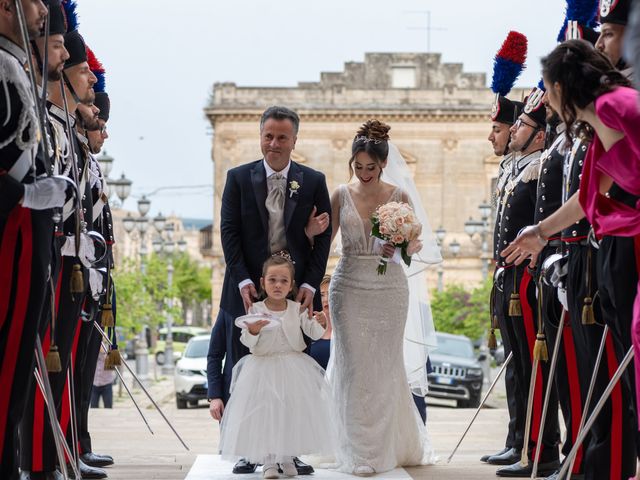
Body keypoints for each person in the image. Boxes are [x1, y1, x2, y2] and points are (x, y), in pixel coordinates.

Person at [502, 40, 640, 479]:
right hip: (612, 245)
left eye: (547, 88)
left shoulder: (618, 105)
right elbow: (587, 197)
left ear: (562, 85)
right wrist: (540, 232)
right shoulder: (594, 124)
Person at [207, 105, 331, 475]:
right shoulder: (238, 178)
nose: (273, 144)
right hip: (244, 288)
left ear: (294, 140)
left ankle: (289, 451)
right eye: (268, 136)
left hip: (296, 291)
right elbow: (228, 231)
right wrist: (244, 279)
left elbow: (323, 240)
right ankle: (249, 450)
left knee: (294, 375)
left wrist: (309, 283)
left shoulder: (313, 180)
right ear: (260, 136)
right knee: (244, 370)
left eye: (282, 137)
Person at [328, 120, 435, 475]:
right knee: (354, 367)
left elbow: (415, 246)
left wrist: (401, 244)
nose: (363, 173)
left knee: (385, 367)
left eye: (370, 167)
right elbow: (321, 244)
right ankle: (359, 450)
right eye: (357, 167)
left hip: (388, 287)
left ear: (383, 164)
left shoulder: (399, 197)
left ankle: (385, 446)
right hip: (348, 286)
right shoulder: (340, 194)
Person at [0, 1, 64, 478]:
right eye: (35, 2)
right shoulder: (3, 70)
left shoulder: (12, 67)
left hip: (28, 238)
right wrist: (23, 193)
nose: (42, 11)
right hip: (10, 234)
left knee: (18, 364)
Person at [493, 93, 561, 478]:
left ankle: (540, 448)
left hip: (528, 277)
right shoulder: (518, 168)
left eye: (521, 125)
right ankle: (522, 442)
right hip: (510, 275)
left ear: (538, 136)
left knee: (534, 364)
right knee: (518, 362)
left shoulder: (539, 168)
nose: (513, 128)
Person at [218, 254, 334, 479]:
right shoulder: (255, 309)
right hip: (263, 368)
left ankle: (287, 456)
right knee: (266, 413)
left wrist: (321, 323)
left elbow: (312, 332)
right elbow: (247, 342)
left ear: (292, 285)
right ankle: (269, 461)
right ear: (262, 282)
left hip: (293, 366)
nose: (278, 285)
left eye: (283, 280)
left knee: (291, 412)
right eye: (272, 280)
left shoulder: (296, 308)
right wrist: (253, 331)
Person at [309, 275, 331, 370]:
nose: (326, 299)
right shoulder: (309, 324)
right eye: (321, 295)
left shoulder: (346, 325)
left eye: (330, 294)